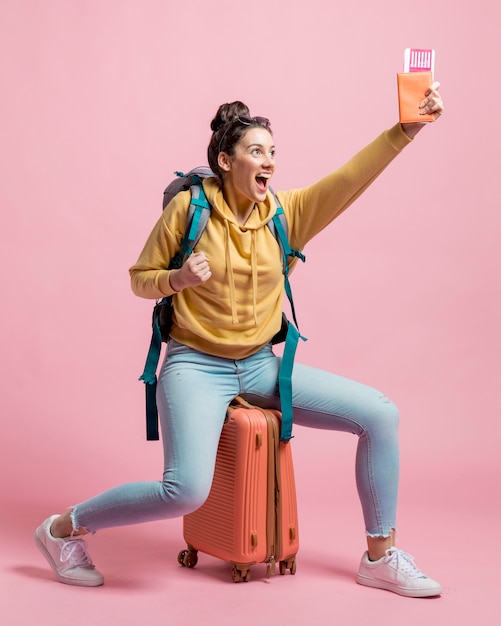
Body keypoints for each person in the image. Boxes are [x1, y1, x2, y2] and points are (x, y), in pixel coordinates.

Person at [35, 83, 444, 597]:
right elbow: (140, 277)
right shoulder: (188, 212)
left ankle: (380, 558)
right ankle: (61, 530)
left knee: (380, 414)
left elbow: (348, 179)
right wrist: (177, 279)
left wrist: (405, 130)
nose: (268, 162)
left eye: (272, 152)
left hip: (259, 365)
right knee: (184, 491)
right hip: (193, 365)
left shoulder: (284, 214)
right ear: (226, 162)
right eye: (256, 152)